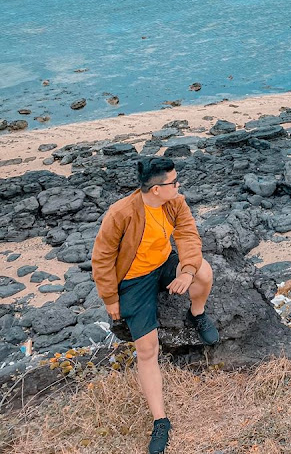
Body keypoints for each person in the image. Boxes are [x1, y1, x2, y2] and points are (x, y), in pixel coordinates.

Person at [91, 157, 219, 454]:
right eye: (174, 182)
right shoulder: (121, 213)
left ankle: (196, 314)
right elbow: (102, 258)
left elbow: (188, 235)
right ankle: (161, 421)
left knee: (204, 272)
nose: (179, 185)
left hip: (163, 265)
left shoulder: (175, 203)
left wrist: (186, 270)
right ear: (157, 189)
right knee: (147, 351)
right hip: (133, 281)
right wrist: (111, 299)